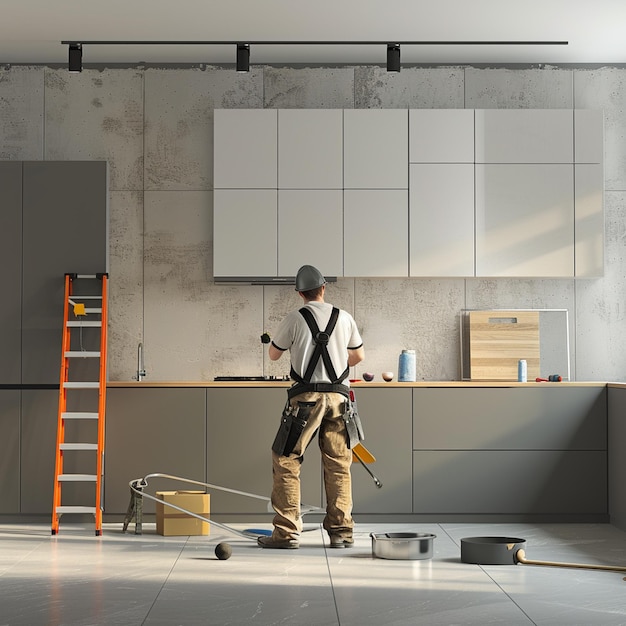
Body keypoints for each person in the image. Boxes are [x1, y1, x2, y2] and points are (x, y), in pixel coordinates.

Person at [258, 264, 365, 550]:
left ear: (299, 293)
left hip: (304, 401)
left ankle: (287, 533)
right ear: (323, 288)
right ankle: (342, 533)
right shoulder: (344, 317)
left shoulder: (294, 318)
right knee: (339, 465)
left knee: (286, 460)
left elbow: (273, 354)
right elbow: (358, 356)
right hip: (340, 400)